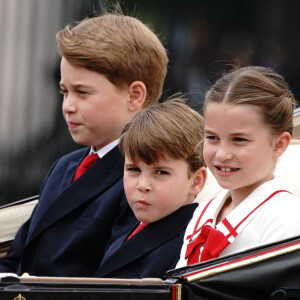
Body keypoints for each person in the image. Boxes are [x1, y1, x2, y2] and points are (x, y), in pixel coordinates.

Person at [0, 12, 168, 277]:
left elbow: (112, 279)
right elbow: (17, 259)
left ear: (135, 95)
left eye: (82, 92)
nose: (68, 106)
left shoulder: (144, 179)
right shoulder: (64, 167)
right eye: (64, 92)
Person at [177, 66, 300, 268]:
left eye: (239, 139)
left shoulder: (288, 219)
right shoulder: (203, 212)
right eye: (212, 138)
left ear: (279, 144)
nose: (222, 154)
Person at [93, 99, 207, 278]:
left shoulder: (190, 244)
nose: (142, 185)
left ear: (196, 181)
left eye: (160, 172)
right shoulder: (128, 224)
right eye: (133, 169)